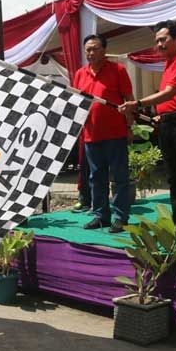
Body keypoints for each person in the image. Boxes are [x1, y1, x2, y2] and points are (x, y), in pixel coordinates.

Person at [120, 20, 176, 226]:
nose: (159, 45)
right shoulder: (169, 63)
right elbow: (171, 98)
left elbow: (169, 93)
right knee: (174, 178)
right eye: (157, 41)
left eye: (163, 39)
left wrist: (138, 103)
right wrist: (162, 115)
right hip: (170, 123)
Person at [73, 34, 134, 233]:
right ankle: (101, 216)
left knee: (119, 177)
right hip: (91, 136)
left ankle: (121, 218)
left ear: (104, 50)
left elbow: (129, 100)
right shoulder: (80, 74)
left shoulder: (118, 70)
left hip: (115, 134)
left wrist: (130, 126)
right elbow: (77, 104)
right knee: (96, 177)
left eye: (95, 48)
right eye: (88, 49)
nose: (91, 53)